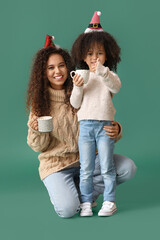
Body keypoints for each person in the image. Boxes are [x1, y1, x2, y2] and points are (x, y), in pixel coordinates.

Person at [26, 35, 137, 218]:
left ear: (69, 67)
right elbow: (39, 147)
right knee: (67, 210)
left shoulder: (85, 87)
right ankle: (75, 196)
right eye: (50, 68)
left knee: (127, 167)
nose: (57, 71)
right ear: (42, 72)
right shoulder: (40, 102)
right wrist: (35, 129)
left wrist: (116, 129)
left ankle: (85, 196)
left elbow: (102, 113)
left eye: (61, 65)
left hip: (87, 162)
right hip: (57, 165)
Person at [70, 11, 122, 217]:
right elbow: (75, 104)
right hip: (85, 127)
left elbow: (115, 87)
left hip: (104, 127)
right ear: (83, 56)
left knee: (107, 166)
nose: (94, 58)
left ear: (106, 55)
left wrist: (103, 71)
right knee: (86, 168)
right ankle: (86, 203)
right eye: (90, 53)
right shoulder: (81, 78)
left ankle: (110, 201)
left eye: (99, 53)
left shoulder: (109, 75)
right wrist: (78, 88)